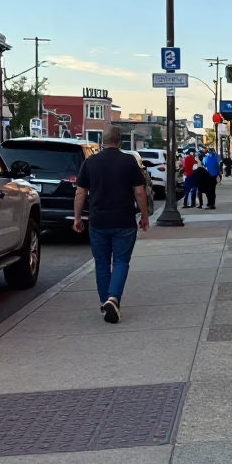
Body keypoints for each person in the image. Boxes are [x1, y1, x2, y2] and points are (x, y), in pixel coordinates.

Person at [73, 125, 149, 323]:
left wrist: (77, 217)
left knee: (101, 263)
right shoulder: (129, 161)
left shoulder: (90, 162)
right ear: (119, 141)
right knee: (121, 261)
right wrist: (144, 215)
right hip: (124, 220)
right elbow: (140, 192)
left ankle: (105, 301)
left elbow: (81, 193)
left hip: (98, 221)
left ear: (102, 141)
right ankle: (113, 298)